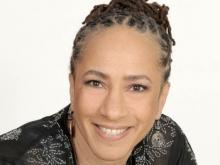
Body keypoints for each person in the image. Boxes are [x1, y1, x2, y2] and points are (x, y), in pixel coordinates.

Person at [0, 0, 197, 164]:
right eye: (95, 83)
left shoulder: (166, 142)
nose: (112, 111)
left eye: (137, 87)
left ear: (161, 98)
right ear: (73, 85)